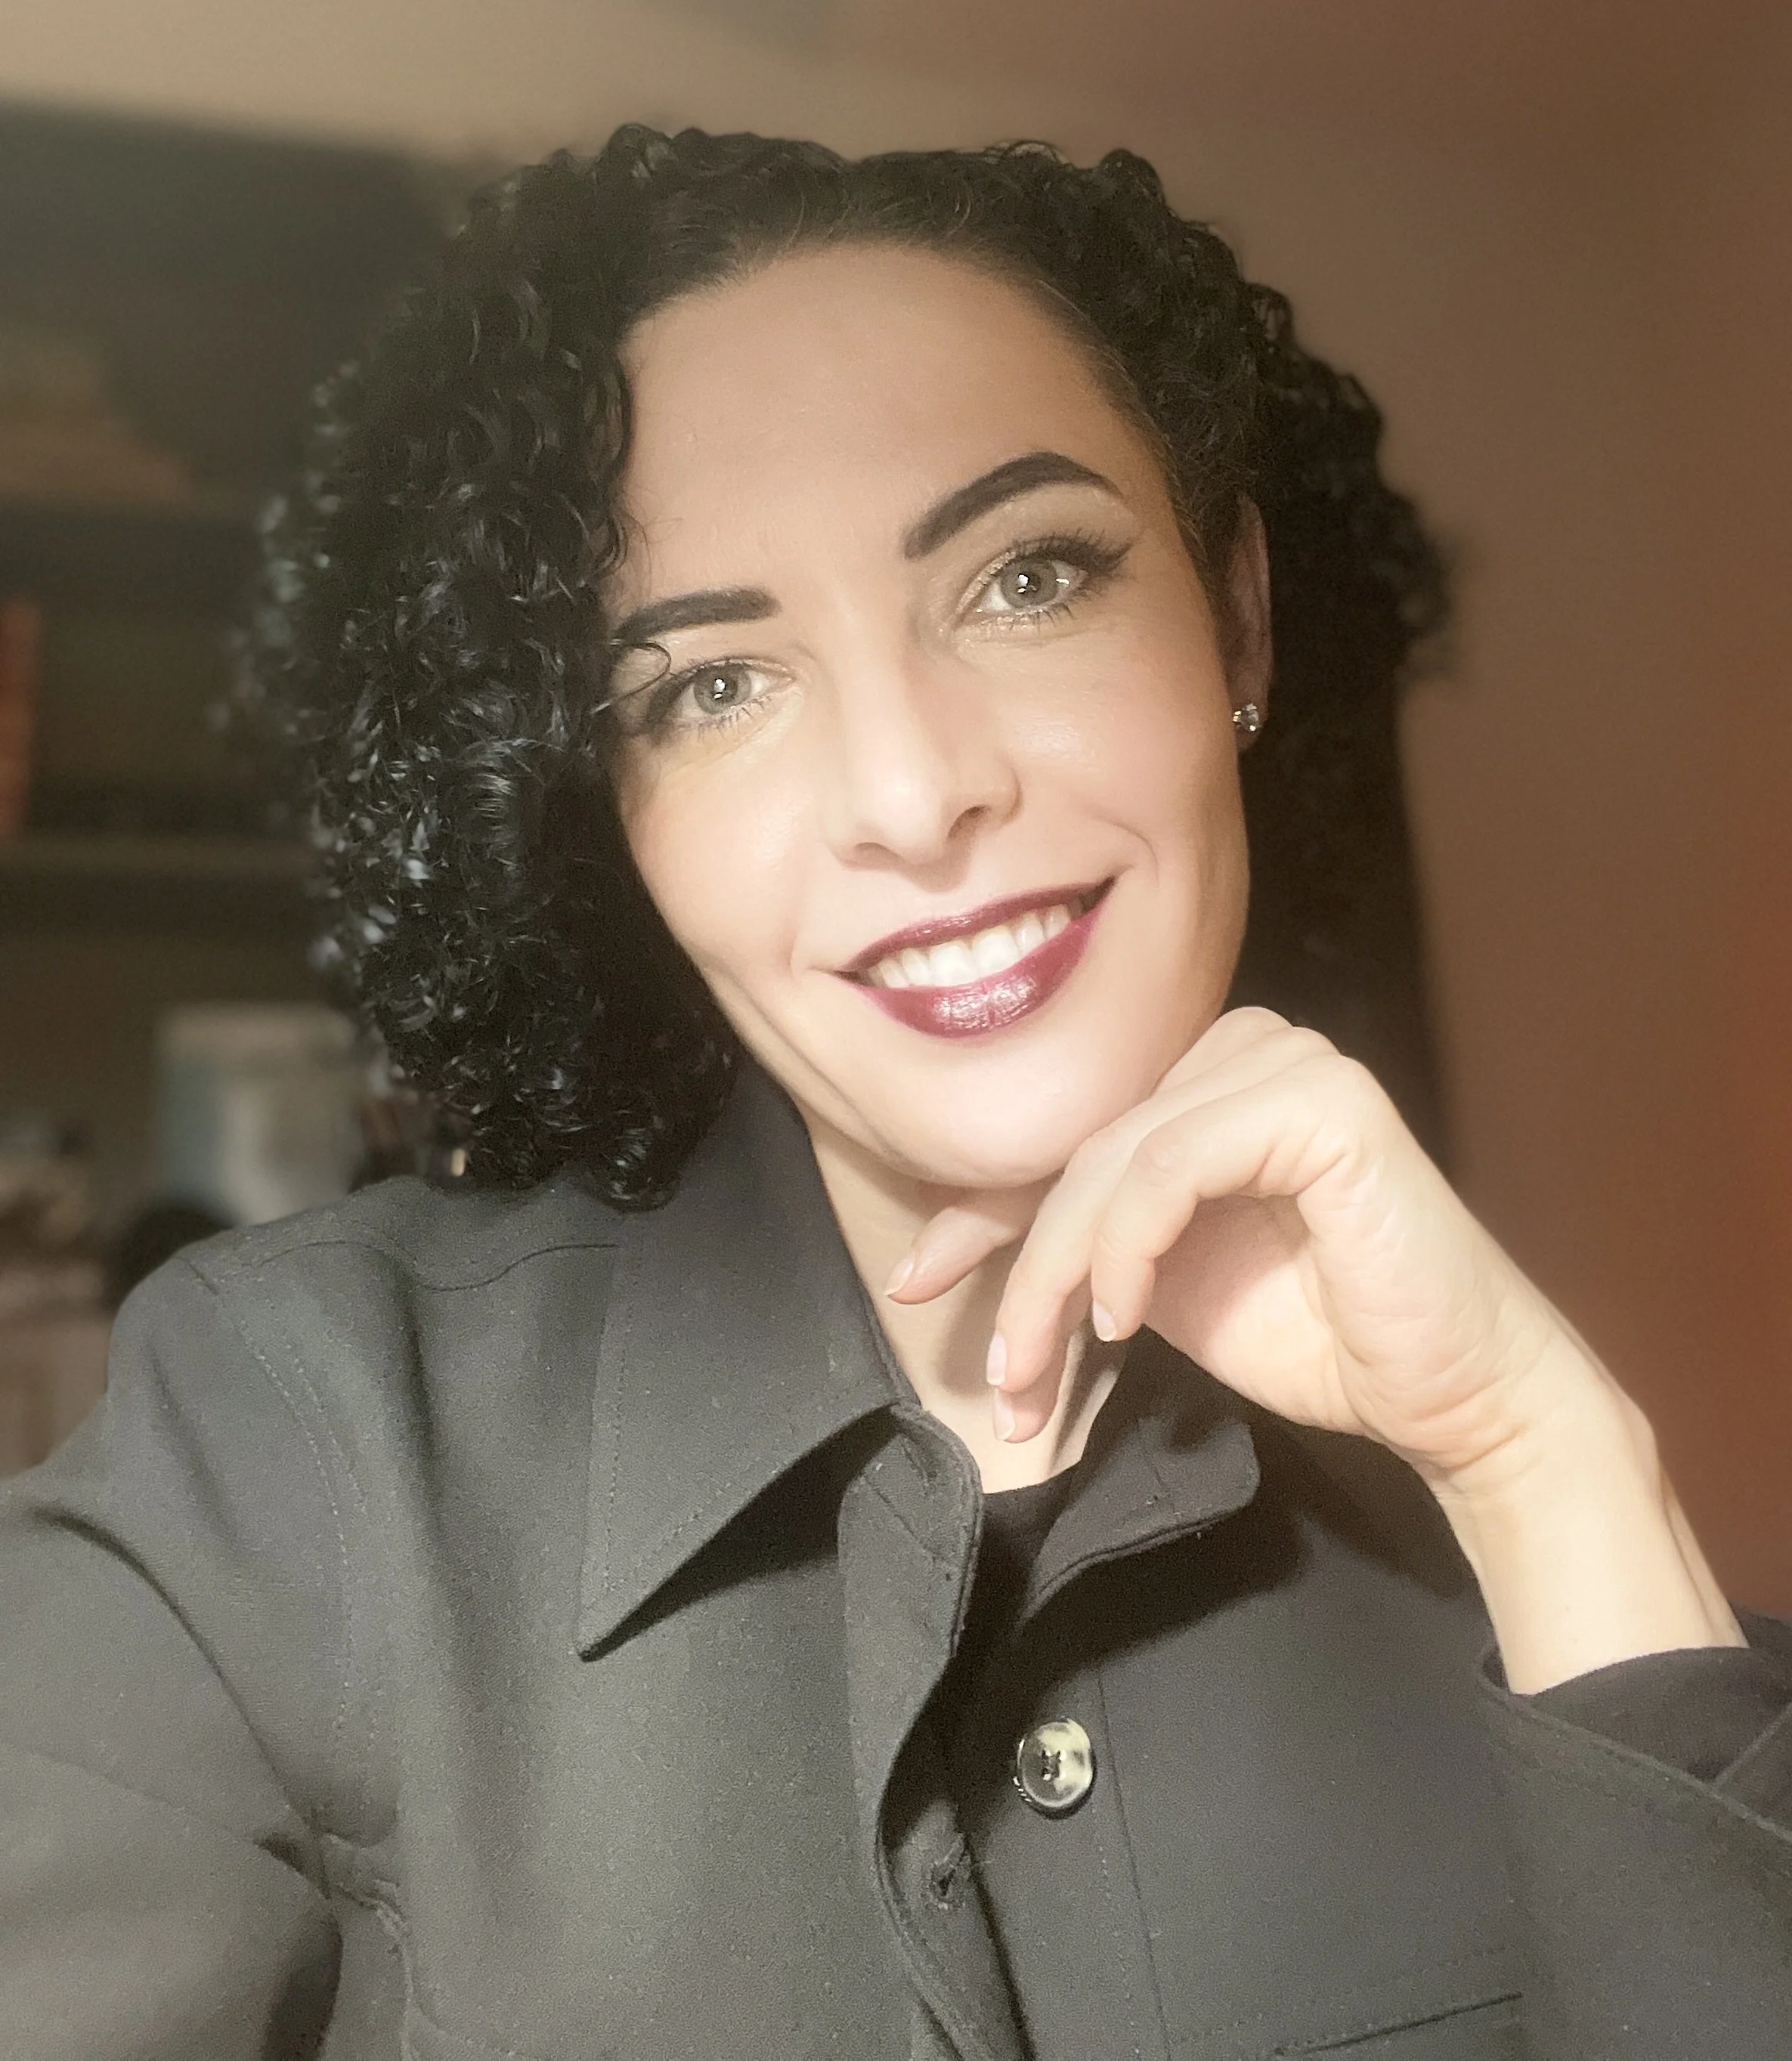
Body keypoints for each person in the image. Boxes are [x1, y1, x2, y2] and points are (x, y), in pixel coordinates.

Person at [2, 130, 1787, 2059]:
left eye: (1029, 575)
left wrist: (1549, 1465)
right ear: (608, 793)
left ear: (1238, 618)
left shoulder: (1502, 1520)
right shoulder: (289, 1443)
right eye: (708, 684)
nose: (913, 790)